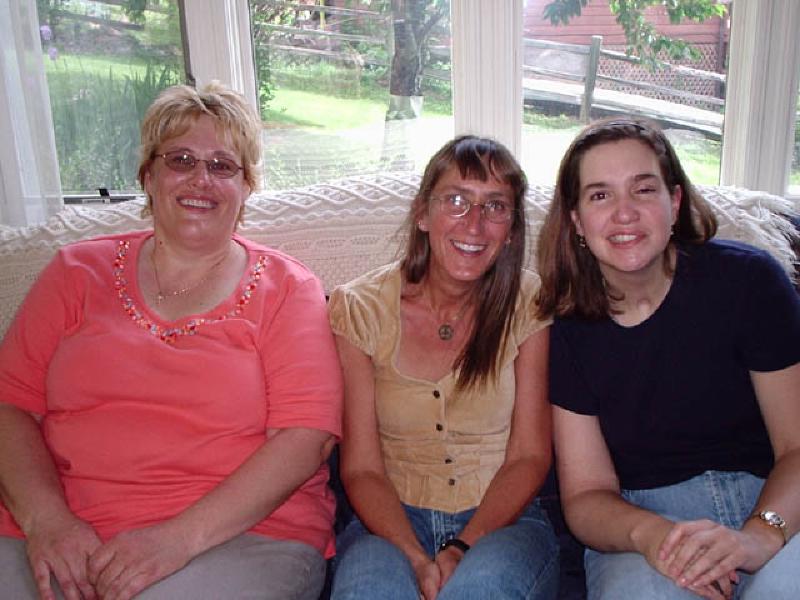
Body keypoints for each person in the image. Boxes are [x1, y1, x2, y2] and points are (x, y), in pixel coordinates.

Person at [0, 82, 342, 600]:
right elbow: (9, 408)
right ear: (149, 176)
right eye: (181, 159)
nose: (200, 179)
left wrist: (174, 540)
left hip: (236, 539)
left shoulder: (287, 289)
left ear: (247, 185)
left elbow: (306, 438)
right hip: (55, 532)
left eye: (222, 165)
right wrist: (48, 521)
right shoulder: (75, 272)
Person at [535, 116, 800, 599]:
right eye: (600, 195)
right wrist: (653, 537)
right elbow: (587, 494)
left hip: (776, 504)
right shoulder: (566, 331)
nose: (624, 214)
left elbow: (797, 446)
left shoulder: (751, 284)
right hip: (642, 525)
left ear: (674, 201)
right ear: (575, 220)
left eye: (642, 190)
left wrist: (761, 533)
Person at [328, 136, 559, 600]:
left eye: (495, 206)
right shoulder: (359, 307)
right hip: (388, 523)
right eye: (456, 200)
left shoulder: (530, 305)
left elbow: (530, 456)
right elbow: (362, 469)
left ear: (512, 229)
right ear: (422, 213)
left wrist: (460, 546)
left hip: (503, 523)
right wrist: (415, 557)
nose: (474, 224)